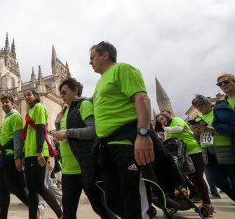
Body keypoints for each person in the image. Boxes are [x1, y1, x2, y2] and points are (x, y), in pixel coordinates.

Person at [89, 41, 153, 219]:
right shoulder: (100, 82)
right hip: (108, 147)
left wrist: (143, 135)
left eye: (92, 57)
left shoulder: (122, 69)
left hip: (127, 144)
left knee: (134, 201)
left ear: (105, 55)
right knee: (113, 200)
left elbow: (142, 98)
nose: (90, 62)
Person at [53, 77, 116, 219]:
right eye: (60, 93)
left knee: (100, 207)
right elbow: (64, 136)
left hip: (85, 167)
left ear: (75, 90)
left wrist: (68, 133)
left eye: (64, 92)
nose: (61, 96)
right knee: (68, 212)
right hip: (68, 170)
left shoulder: (84, 105)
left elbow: (93, 130)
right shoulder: (65, 112)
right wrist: (57, 125)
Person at [156, 112, 213, 214]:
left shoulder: (176, 120)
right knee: (191, 178)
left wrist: (165, 128)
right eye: (160, 120)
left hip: (194, 151)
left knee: (198, 178)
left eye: (162, 118)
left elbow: (179, 129)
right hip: (183, 155)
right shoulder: (168, 128)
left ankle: (207, 204)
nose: (162, 121)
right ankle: (199, 197)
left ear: (167, 116)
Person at [22, 89, 63, 219]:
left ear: (36, 96)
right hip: (29, 153)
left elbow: (40, 130)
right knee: (31, 188)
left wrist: (39, 152)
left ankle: (61, 215)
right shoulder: (30, 111)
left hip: (38, 152)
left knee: (40, 186)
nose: (26, 97)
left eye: (29, 94)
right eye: (25, 96)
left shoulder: (39, 107)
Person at [190, 94, 235, 201]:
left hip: (224, 148)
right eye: (197, 107)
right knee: (218, 181)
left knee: (233, 178)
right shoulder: (198, 119)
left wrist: (210, 130)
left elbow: (229, 129)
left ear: (208, 104)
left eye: (201, 105)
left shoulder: (217, 113)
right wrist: (196, 133)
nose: (200, 108)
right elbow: (199, 140)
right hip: (207, 152)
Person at [0, 95, 30, 219]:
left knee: (14, 187)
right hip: (3, 156)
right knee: (3, 189)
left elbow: (17, 138)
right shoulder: (6, 118)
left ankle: (35, 208)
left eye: (7, 102)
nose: (4, 104)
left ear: (13, 104)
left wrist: (17, 157)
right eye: (2, 102)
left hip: (10, 156)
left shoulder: (15, 116)